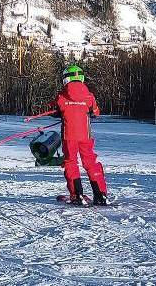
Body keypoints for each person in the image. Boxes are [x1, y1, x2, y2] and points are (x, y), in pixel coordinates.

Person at [52, 64, 108, 205]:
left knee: (71, 162)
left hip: (69, 135)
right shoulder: (89, 96)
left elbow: (54, 110)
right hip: (86, 135)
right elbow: (95, 112)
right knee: (90, 162)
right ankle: (100, 194)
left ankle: (77, 195)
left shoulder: (61, 96)